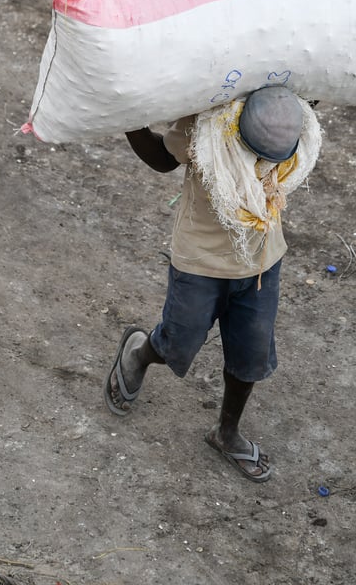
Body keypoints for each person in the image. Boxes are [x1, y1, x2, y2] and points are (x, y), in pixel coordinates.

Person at [104, 85, 321, 482]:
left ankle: (227, 432)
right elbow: (162, 159)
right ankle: (139, 351)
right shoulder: (205, 124)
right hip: (200, 261)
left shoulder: (292, 116)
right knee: (178, 343)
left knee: (250, 357)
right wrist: (129, 120)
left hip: (260, 262)